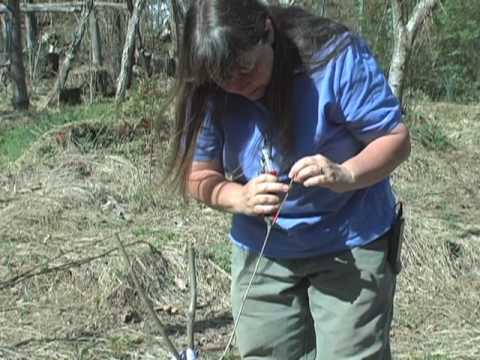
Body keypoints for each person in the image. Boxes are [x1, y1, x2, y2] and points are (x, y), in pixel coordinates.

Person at [166, 0, 411, 359]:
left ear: (267, 31)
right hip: (264, 254)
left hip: (350, 242)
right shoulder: (209, 84)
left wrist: (346, 173)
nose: (237, 86)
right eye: (224, 79)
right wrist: (238, 198)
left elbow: (395, 139)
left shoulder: (334, 57)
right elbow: (199, 175)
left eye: (246, 69)